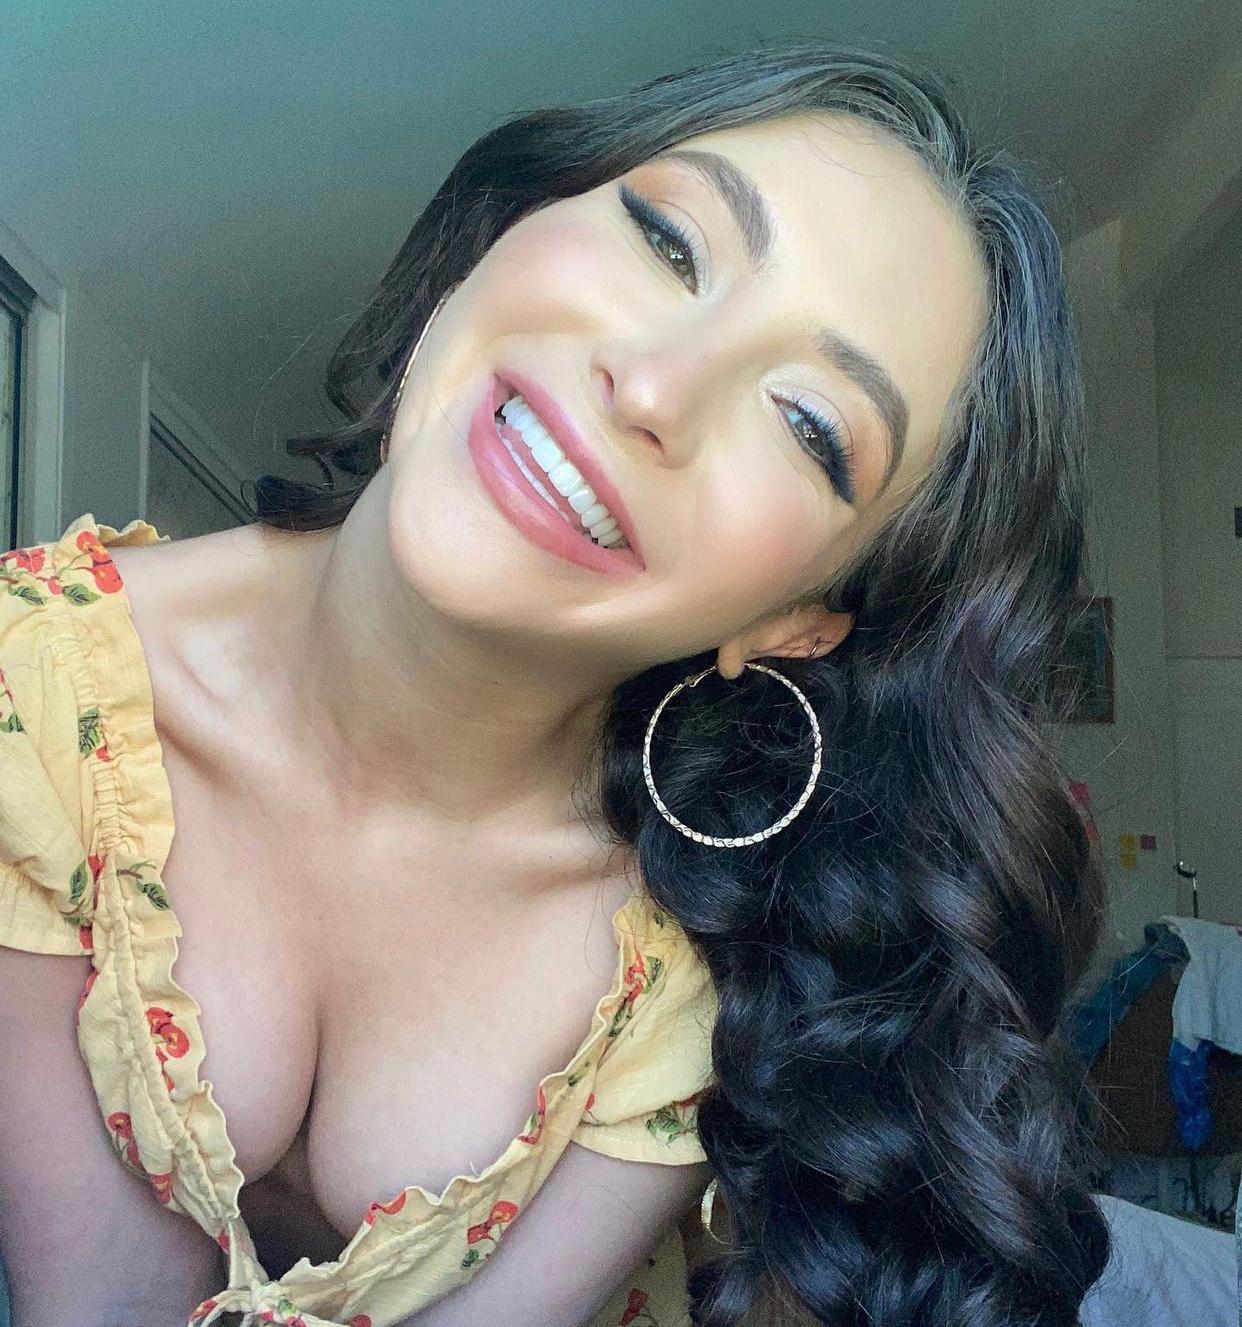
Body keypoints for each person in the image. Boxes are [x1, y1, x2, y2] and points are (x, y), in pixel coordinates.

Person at [0, 37, 1114, 1327]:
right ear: (504, 234)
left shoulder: (706, 958)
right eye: (672, 243)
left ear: (800, 623)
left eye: (808, 425)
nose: (654, 385)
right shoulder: (35, 694)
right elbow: (95, 1302)